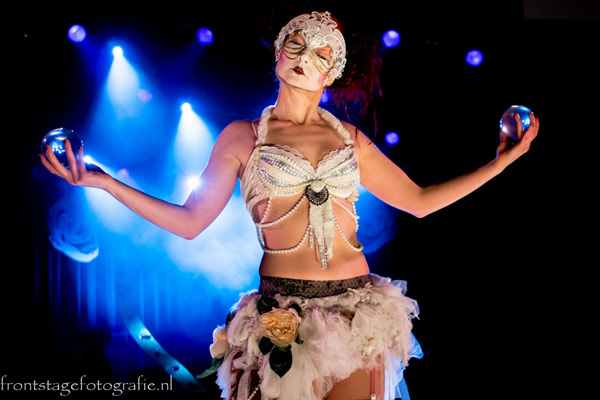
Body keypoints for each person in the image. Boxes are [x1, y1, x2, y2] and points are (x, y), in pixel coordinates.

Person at [39, 11, 539, 400]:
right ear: (278, 52)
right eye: (296, 42)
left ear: (334, 71)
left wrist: (501, 163)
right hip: (282, 312)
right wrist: (104, 182)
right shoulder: (244, 137)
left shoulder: (351, 140)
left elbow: (422, 203)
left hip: (357, 310)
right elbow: (190, 223)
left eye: (322, 51)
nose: (306, 54)